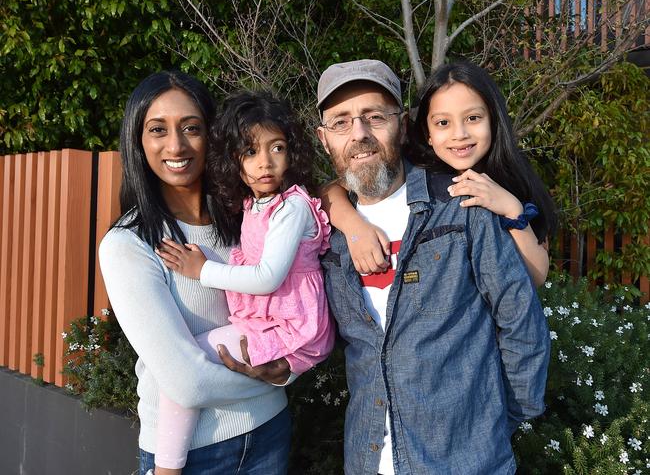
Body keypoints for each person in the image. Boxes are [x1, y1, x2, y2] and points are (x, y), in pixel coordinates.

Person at [315, 59, 551, 474]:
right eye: (341, 122)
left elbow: (520, 319)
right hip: (367, 459)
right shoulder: (322, 231)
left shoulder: (463, 205)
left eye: (374, 117)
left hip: (467, 460)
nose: (360, 134)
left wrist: (496, 423)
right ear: (324, 139)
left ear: (403, 124)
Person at [98, 72, 293, 475]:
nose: (176, 145)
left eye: (191, 128)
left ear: (212, 136)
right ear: (138, 142)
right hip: (193, 456)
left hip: (271, 432)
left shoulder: (250, 219)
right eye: (158, 130)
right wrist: (280, 376)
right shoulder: (130, 245)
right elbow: (187, 383)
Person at [152, 90, 335, 473]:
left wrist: (202, 271)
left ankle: (166, 469)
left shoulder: (293, 206)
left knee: (183, 365)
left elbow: (268, 278)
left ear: (293, 152)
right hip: (270, 323)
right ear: (233, 159)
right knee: (175, 371)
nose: (265, 163)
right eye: (250, 152)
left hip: (291, 327)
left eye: (277, 148)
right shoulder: (255, 205)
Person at [322, 61, 556, 287]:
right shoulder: (417, 171)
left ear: (494, 120)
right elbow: (330, 189)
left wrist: (511, 209)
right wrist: (354, 228)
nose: (459, 134)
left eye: (473, 118)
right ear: (427, 132)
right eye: (443, 122)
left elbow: (536, 276)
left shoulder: (512, 178)